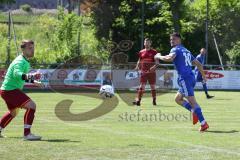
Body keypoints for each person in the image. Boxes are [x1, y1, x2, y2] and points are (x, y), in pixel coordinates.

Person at [154, 33, 209, 132]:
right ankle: (194, 112)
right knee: (178, 99)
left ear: (179, 40)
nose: (172, 41)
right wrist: (204, 77)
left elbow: (169, 58)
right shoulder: (186, 50)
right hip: (191, 77)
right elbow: (199, 64)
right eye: (171, 39)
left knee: (192, 102)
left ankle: (203, 123)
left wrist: (159, 56)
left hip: (185, 78)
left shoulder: (175, 49)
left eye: (174, 39)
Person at [0, 40, 43, 140]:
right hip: (10, 90)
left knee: (13, 113)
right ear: (23, 49)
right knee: (32, 106)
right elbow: (17, 74)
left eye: (33, 48)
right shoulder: (20, 61)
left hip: (7, 90)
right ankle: (27, 134)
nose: (32, 51)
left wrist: (34, 81)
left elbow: (21, 77)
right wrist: (32, 76)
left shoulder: (24, 60)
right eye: (30, 48)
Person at [133, 38, 158, 106]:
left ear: (150, 43)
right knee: (142, 86)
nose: (146, 44)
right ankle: (138, 101)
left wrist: (154, 67)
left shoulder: (154, 52)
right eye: (145, 42)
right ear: (144, 43)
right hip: (143, 71)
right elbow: (139, 59)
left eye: (148, 42)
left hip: (151, 72)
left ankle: (154, 100)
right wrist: (137, 66)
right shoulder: (141, 52)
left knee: (152, 86)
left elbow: (157, 62)